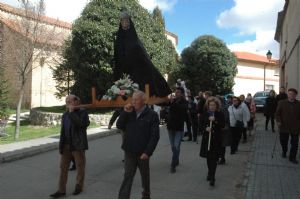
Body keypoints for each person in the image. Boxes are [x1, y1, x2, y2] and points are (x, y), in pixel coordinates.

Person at [114, 10, 171, 97]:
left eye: (126, 20)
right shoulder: (119, 38)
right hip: (125, 67)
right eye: (122, 21)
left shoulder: (134, 36)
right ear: (121, 23)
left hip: (138, 67)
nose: (124, 22)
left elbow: (140, 51)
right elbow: (118, 53)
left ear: (129, 22)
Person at [116, 90, 160, 199]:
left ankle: (146, 195)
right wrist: (125, 112)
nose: (133, 101)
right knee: (128, 177)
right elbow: (119, 125)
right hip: (129, 151)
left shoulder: (152, 115)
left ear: (144, 101)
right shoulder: (129, 112)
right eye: (133, 99)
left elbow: (154, 136)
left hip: (143, 152)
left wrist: (148, 152)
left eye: (136, 99)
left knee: (145, 177)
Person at [50, 95, 90, 198]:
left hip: (78, 145)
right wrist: (61, 146)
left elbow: (81, 125)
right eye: (66, 101)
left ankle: (79, 186)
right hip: (66, 145)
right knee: (63, 167)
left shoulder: (83, 112)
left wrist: (72, 113)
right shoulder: (65, 115)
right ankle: (61, 190)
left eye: (70, 101)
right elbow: (63, 131)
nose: (67, 103)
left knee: (80, 167)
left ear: (76, 102)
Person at [200, 97, 225, 186]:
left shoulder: (220, 114)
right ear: (208, 105)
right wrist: (205, 128)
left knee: (214, 159)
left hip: (216, 140)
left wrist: (216, 121)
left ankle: (212, 177)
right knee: (208, 158)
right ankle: (210, 172)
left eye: (214, 105)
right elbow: (201, 124)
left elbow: (223, 125)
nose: (212, 107)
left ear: (216, 106)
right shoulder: (205, 114)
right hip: (207, 139)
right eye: (210, 105)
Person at [166, 87, 188, 173]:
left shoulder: (184, 102)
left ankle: (173, 165)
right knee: (173, 146)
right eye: (176, 92)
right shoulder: (173, 101)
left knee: (176, 146)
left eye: (178, 92)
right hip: (170, 127)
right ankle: (176, 158)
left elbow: (181, 109)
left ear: (182, 94)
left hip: (179, 127)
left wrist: (172, 103)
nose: (176, 93)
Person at [275, 88, 300, 164]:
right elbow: (277, 114)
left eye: (293, 94)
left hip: (295, 127)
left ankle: (292, 157)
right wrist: (279, 121)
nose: (291, 95)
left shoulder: (299, 104)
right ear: (288, 94)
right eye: (290, 94)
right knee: (283, 141)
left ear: (295, 95)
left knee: (295, 143)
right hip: (284, 126)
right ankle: (284, 150)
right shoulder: (282, 103)